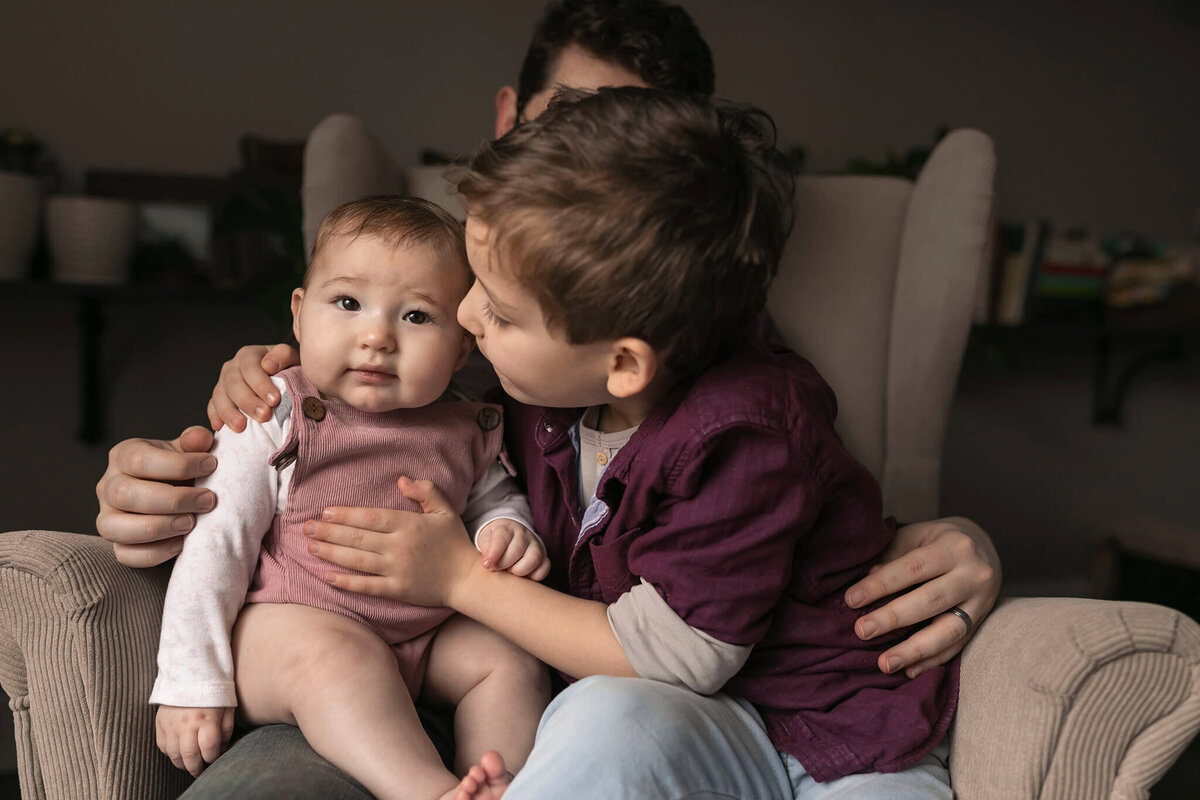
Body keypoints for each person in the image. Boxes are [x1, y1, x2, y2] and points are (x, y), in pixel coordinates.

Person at [94, 0, 999, 795]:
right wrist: (233, 425)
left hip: (600, 699)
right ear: (509, 126)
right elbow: (289, 432)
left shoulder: (717, 400)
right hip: (359, 666)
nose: (464, 315)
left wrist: (960, 538)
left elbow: (760, 548)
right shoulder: (434, 330)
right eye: (573, 129)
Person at [292, 87, 954, 798]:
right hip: (684, 724)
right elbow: (394, 399)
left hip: (843, 738)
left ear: (624, 364)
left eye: (502, 312)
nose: (465, 315)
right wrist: (280, 379)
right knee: (596, 716)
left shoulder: (746, 433)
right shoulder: (545, 393)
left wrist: (460, 578)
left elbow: (680, 656)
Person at [151, 196, 550, 800]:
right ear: (299, 313)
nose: (376, 337)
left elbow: (494, 498)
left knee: (507, 657)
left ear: (462, 346)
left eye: (416, 317)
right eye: (346, 303)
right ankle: (426, 792)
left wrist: (507, 529)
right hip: (290, 629)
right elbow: (217, 543)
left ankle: (502, 784)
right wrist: (190, 680)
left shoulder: (468, 426)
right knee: (337, 656)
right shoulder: (276, 411)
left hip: (421, 636)